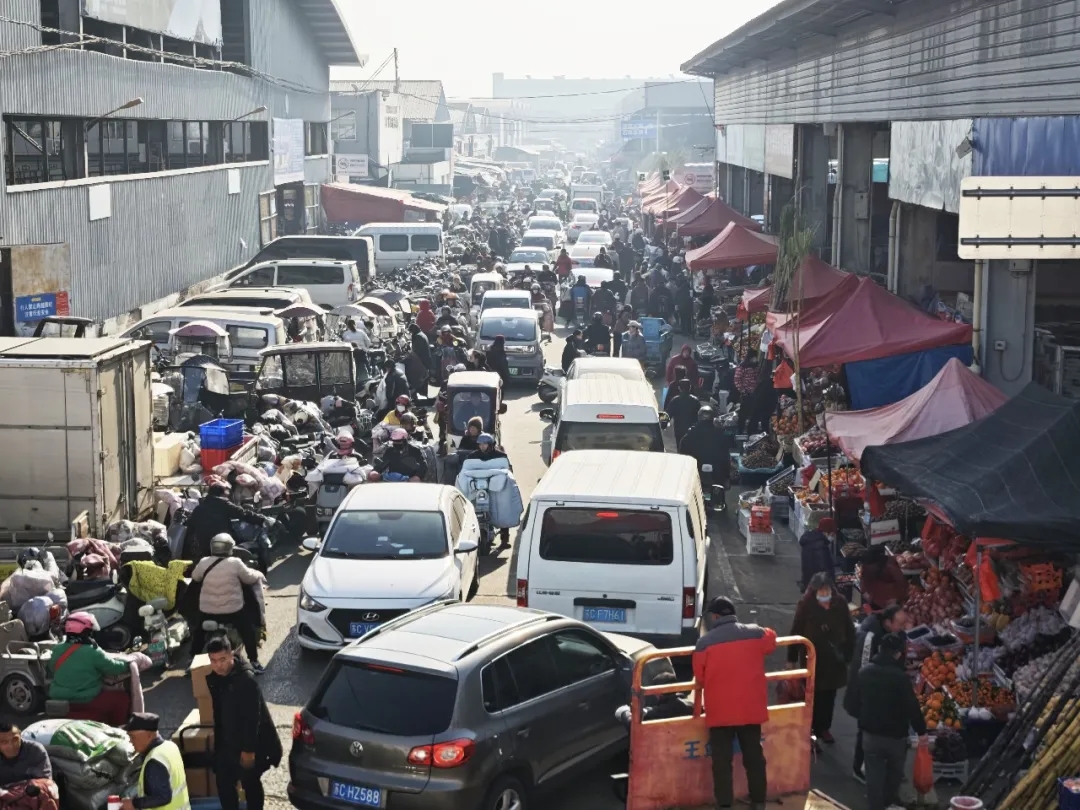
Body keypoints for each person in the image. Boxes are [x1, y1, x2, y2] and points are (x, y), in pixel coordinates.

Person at [693, 597, 775, 810]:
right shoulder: (755, 633)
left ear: (716, 616)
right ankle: (758, 802)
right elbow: (771, 639)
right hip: (750, 711)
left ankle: (725, 805)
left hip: (720, 714)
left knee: (722, 762)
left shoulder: (705, 643)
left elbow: (699, 677)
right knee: (754, 758)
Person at [851, 633, 927, 810]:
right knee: (894, 774)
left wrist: (863, 721)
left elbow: (855, 702)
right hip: (895, 737)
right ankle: (889, 803)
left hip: (870, 735)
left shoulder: (864, 673)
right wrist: (921, 731)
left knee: (873, 775)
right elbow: (912, 707)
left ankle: (875, 806)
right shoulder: (900, 678)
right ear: (898, 654)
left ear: (879, 649)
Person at [205, 637, 283, 810]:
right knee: (224, 784)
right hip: (227, 742)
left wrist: (248, 752)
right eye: (213, 661)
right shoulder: (217, 679)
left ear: (231, 655)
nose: (218, 665)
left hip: (249, 744)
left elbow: (252, 719)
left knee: (250, 783)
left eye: (222, 660)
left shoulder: (245, 680)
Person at [844, 605, 910, 781]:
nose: (904, 627)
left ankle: (885, 770)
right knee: (865, 729)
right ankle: (858, 769)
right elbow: (864, 668)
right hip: (867, 693)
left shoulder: (897, 634)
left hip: (885, 689)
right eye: (900, 623)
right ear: (888, 622)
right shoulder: (870, 636)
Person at [787, 572, 855, 745]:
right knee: (812, 695)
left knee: (829, 697)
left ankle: (824, 728)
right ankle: (811, 730)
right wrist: (791, 658)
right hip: (813, 659)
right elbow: (796, 630)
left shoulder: (840, 604)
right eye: (821, 591)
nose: (824, 594)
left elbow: (849, 629)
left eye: (827, 590)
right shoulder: (806, 606)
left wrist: (849, 653)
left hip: (834, 661)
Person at [190, 534, 266, 672]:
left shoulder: (204, 562)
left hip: (207, 611)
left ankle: (192, 661)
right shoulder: (235, 563)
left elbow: (195, 577)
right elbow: (249, 578)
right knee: (246, 631)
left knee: (198, 633)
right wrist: (258, 574)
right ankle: (254, 661)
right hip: (233, 611)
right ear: (230, 547)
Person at [47, 612, 131, 726]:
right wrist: (129, 664)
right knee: (122, 699)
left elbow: (52, 669)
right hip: (86, 699)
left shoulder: (57, 649)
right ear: (86, 632)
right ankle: (117, 730)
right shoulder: (93, 652)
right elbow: (114, 668)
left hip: (59, 698)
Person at [124, 712, 189, 810]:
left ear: (149, 736)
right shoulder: (170, 746)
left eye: (133, 737)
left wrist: (134, 804)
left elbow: (162, 798)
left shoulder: (154, 762)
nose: (130, 741)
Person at [185, 483, 265, 561]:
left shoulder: (197, 509)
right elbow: (242, 513)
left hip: (206, 549)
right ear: (222, 494)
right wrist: (261, 519)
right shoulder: (222, 503)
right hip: (224, 545)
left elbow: (190, 527)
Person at [468, 433, 512, 548]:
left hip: (496, 488)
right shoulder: (473, 456)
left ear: (491, 445)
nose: (482, 446)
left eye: (485, 444)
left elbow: (508, 469)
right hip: (479, 487)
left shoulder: (501, 456)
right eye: (480, 444)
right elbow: (466, 468)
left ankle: (504, 538)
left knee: (502, 509)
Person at [679, 404, 734, 488]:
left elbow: (683, 455)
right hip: (709, 471)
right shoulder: (719, 433)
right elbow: (726, 455)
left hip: (702, 470)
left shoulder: (690, 434)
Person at [859, 544, 909, 611]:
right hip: (875, 602)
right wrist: (865, 593)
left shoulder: (890, 566)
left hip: (891, 603)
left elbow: (902, 583)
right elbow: (863, 581)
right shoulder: (867, 566)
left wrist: (897, 599)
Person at [0, 724, 51, 788]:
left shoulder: (35, 750)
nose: (11, 746)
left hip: (32, 793)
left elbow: (45, 782)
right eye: (4, 742)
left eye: (15, 739)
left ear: (20, 735)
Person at [799, 516, 837, 590]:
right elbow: (824, 569)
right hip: (817, 586)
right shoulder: (820, 547)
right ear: (825, 533)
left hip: (808, 581)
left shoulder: (810, 539)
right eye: (832, 534)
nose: (833, 537)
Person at [666, 378, 701, 448]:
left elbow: (667, 415)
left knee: (680, 447)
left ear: (679, 388)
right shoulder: (695, 401)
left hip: (679, 429)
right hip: (692, 430)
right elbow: (700, 417)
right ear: (690, 388)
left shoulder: (675, 400)